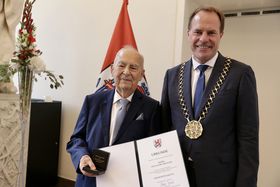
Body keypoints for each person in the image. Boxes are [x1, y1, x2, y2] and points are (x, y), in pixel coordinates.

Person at [161, 6, 259, 187]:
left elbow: (248, 139)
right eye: (198, 31)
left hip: (221, 179)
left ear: (221, 34)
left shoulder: (240, 74)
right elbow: (164, 129)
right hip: (176, 178)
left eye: (211, 32)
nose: (203, 39)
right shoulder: (172, 76)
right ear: (188, 33)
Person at [67, 46, 161, 187]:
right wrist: (82, 157)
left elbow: (154, 150)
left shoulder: (152, 108)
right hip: (90, 182)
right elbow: (76, 139)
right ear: (112, 69)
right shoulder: (92, 101)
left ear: (142, 74)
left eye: (133, 68)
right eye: (121, 65)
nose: (126, 72)